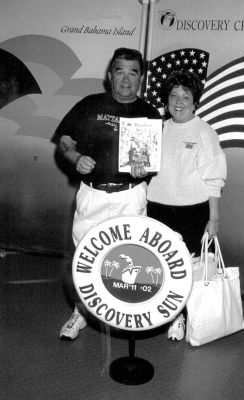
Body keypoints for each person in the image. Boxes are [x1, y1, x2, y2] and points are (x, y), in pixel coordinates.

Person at [55, 47, 161, 340]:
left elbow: (151, 160)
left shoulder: (149, 114)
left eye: (133, 72)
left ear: (141, 78)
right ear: (109, 74)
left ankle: (121, 314)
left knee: (127, 259)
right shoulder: (89, 105)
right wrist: (75, 157)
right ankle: (81, 312)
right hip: (93, 195)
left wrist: (145, 170)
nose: (126, 79)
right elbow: (65, 141)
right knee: (84, 260)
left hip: (131, 196)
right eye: (120, 71)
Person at [147, 70, 227, 341]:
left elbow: (214, 178)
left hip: (192, 212)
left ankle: (180, 317)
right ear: (166, 99)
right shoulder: (157, 128)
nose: (178, 102)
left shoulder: (205, 132)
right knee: (161, 265)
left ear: (196, 102)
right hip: (156, 209)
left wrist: (213, 218)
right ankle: (164, 312)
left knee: (188, 269)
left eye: (185, 96)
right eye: (173, 95)